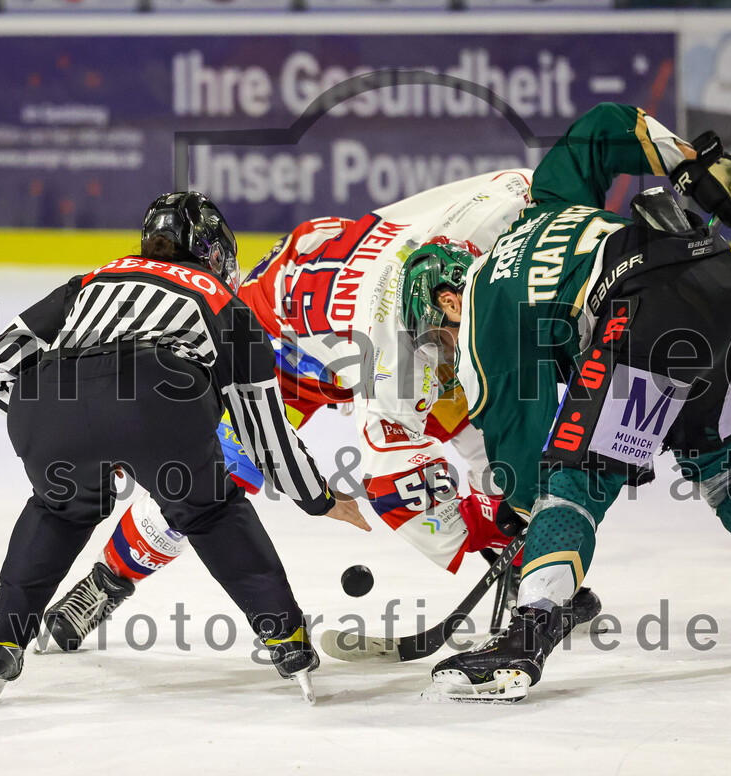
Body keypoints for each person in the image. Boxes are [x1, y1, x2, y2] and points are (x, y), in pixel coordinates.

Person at [400, 102, 731, 701]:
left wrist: (523, 512)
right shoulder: (550, 202)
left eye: (434, 332)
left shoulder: (483, 305)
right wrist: (694, 167)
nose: (441, 345)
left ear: (448, 302)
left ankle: (526, 640)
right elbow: (604, 124)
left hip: (642, 315)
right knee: (720, 456)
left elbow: (517, 439)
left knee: (576, 481)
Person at [40, 171, 601, 653]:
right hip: (278, 357)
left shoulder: (462, 237)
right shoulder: (393, 360)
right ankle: (107, 581)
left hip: (336, 313)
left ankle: (531, 564)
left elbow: (520, 185)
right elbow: (393, 481)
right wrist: (478, 522)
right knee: (208, 475)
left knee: (484, 423)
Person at [0, 191, 369, 707]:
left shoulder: (95, 278)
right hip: (159, 399)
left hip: (49, 399)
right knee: (211, 512)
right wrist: (317, 496)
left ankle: (0, 644)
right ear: (215, 253)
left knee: (59, 512)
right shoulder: (230, 306)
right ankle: (288, 644)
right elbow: (263, 435)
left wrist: (52, 421)